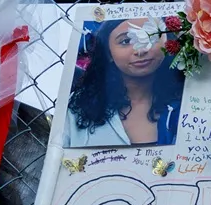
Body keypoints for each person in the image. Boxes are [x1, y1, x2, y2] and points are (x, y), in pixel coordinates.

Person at [65, 18, 184, 148]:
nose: (141, 50)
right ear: (108, 53)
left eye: (152, 36)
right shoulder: (78, 105)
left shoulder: (191, 96)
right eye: (126, 41)